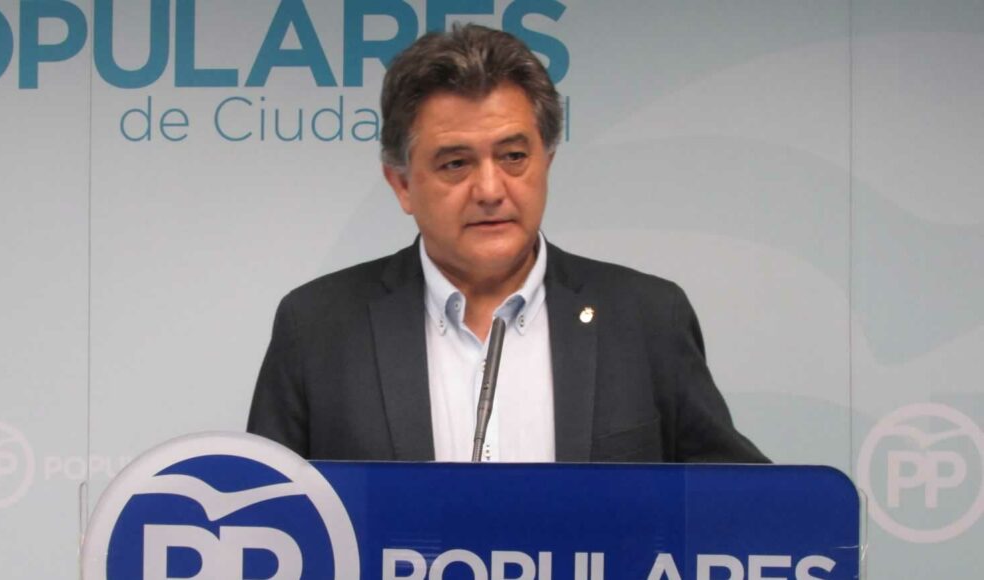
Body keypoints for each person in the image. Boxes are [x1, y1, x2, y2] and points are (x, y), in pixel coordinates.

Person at [247, 24, 766, 463]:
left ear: (547, 163)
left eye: (514, 156)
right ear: (401, 184)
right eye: (456, 163)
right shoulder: (317, 328)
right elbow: (266, 521)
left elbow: (741, 506)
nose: (491, 190)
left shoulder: (648, 317)